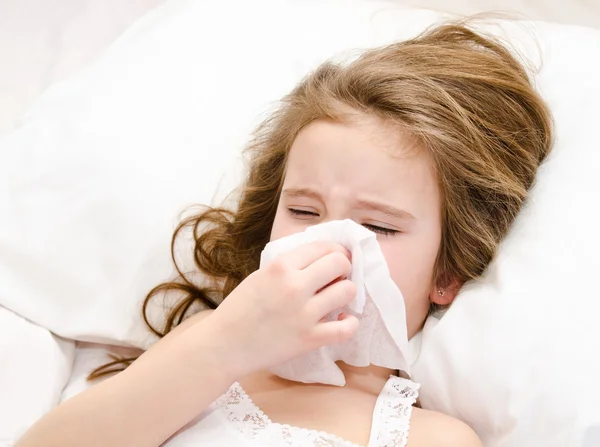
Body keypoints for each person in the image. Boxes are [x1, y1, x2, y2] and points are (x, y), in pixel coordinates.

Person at [16, 20, 553, 447]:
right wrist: (224, 343)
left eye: (378, 226)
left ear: (447, 274)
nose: (329, 244)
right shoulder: (201, 357)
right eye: (303, 210)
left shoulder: (430, 438)